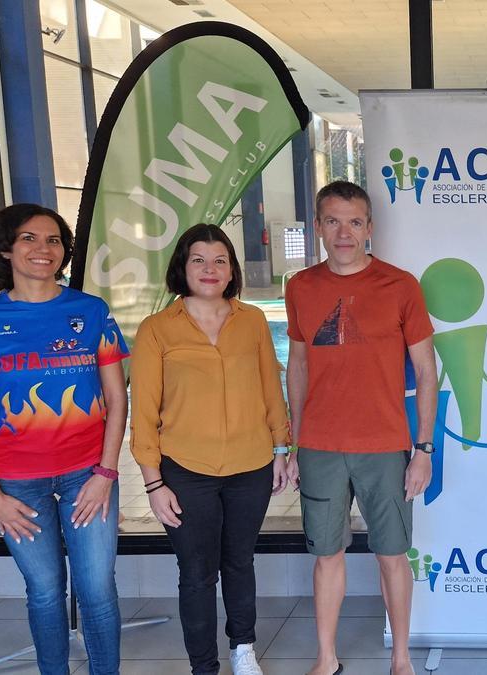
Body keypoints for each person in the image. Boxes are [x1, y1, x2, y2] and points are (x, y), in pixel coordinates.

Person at [0, 203, 128, 675]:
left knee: (97, 590)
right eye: (29, 238)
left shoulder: (90, 311)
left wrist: (106, 474)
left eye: (53, 240)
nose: (43, 249)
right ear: (5, 248)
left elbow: (116, 398)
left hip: (87, 477)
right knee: (46, 591)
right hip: (16, 485)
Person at [285, 181, 438, 675]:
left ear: (369, 227)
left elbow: (426, 371)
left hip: (385, 445)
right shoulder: (300, 287)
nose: (344, 232)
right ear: (319, 228)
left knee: (393, 554)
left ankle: (400, 658)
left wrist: (424, 449)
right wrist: (293, 440)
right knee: (327, 554)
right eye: (333, 221)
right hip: (320, 446)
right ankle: (326, 658)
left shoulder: (400, 285)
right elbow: (298, 365)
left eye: (354, 221)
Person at [129, 224, 292, 675]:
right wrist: (153, 482)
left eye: (220, 260)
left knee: (239, 561)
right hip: (184, 469)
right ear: (182, 266)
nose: (210, 268)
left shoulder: (253, 320)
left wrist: (281, 448)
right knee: (197, 572)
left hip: (251, 465)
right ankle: (203, 665)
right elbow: (142, 411)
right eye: (199, 259)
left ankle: (243, 648)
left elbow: (270, 389)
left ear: (232, 269)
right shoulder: (157, 329)